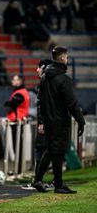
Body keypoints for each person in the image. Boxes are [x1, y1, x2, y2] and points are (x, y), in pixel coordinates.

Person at [34, 46, 85, 193]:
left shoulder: (44, 78)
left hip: (49, 121)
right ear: (63, 58)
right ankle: (56, 184)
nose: (67, 60)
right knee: (57, 151)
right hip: (60, 121)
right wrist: (80, 120)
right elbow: (72, 103)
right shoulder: (64, 79)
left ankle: (46, 181)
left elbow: (40, 101)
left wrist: (42, 120)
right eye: (67, 57)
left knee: (51, 151)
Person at [22, 59, 53, 190]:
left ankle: (38, 180)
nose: (37, 70)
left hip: (48, 124)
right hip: (53, 123)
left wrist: (41, 122)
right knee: (48, 151)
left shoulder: (45, 83)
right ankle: (43, 180)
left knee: (42, 150)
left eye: (39, 67)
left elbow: (43, 105)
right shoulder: (53, 82)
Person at [4, 75, 30, 173]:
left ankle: (18, 169)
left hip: (17, 121)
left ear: (20, 81)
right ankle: (18, 169)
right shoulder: (22, 92)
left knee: (17, 145)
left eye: (14, 80)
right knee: (18, 145)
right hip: (19, 121)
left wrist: (7, 103)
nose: (12, 81)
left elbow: (10, 105)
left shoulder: (19, 93)